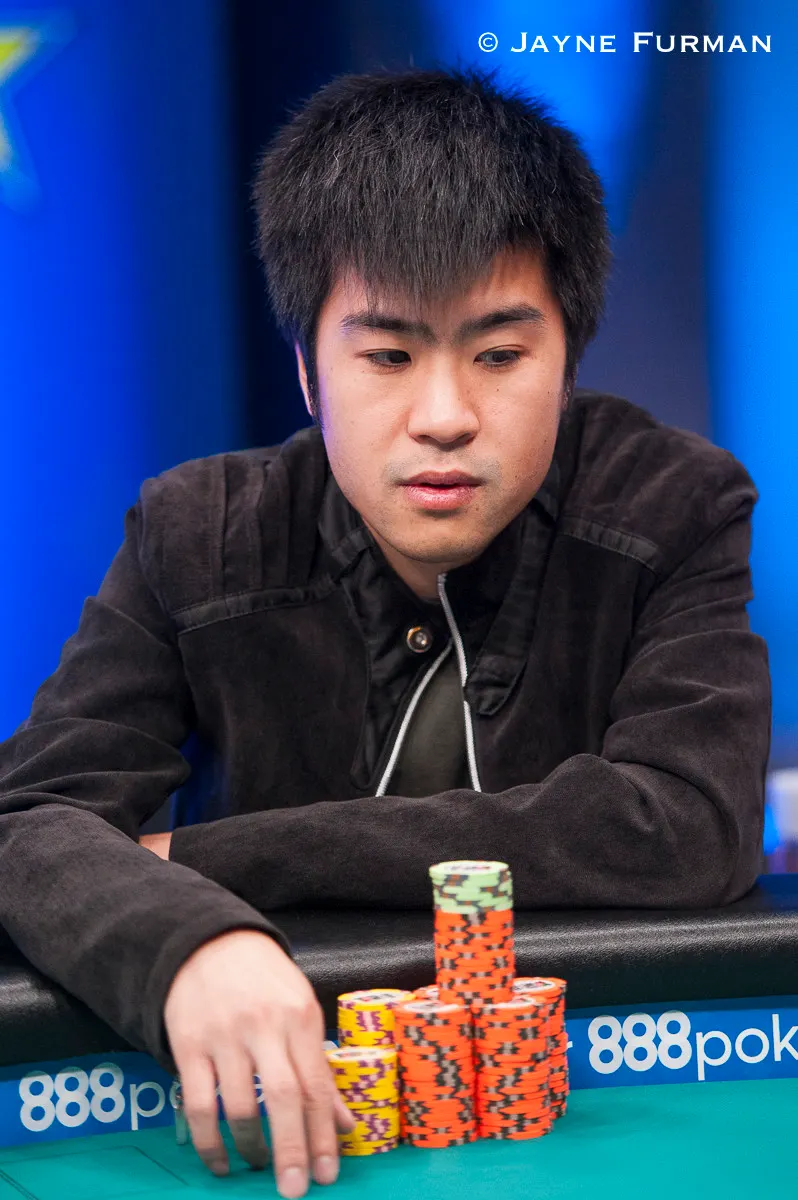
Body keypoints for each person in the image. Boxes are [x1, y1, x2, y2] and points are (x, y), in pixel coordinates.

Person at [0, 66, 770, 1198]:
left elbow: (688, 826)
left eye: (499, 355)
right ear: (309, 372)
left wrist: (209, 865)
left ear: (569, 361)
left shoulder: (675, 502)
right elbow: (26, 819)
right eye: (388, 356)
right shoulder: (197, 531)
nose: (445, 417)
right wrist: (188, 941)